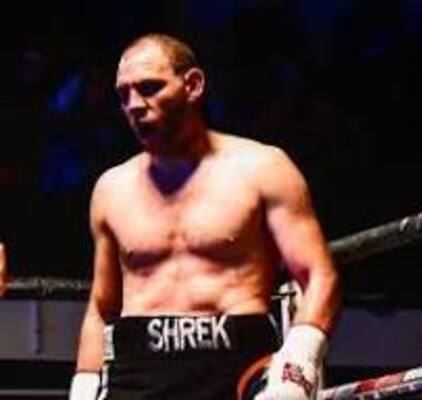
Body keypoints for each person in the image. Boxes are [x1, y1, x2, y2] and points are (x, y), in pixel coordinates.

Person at [69, 33, 341, 400]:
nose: (134, 105)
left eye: (149, 88)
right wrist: (84, 385)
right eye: (123, 94)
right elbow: (102, 307)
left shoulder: (263, 167)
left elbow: (319, 274)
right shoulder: (111, 188)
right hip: (138, 372)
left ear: (193, 85)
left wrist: (298, 363)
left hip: (237, 364)